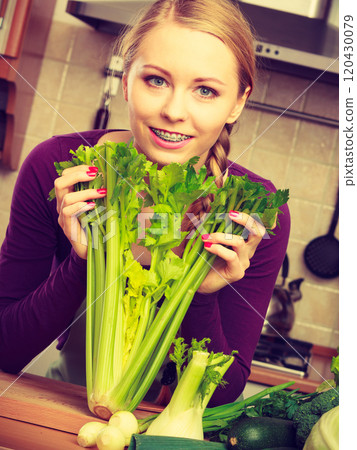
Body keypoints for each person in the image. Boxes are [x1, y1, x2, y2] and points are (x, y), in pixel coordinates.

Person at [0, 0, 290, 406]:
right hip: (66, 413)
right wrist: (83, 260)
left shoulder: (251, 210)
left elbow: (223, 395)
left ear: (238, 102)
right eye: (156, 80)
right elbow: (4, 348)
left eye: (205, 90)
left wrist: (199, 293)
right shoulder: (58, 170)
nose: (173, 111)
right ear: (124, 79)